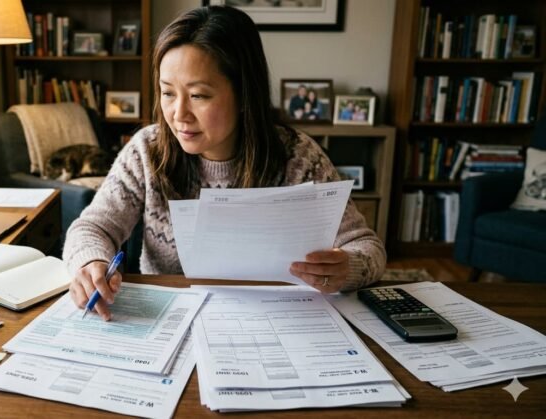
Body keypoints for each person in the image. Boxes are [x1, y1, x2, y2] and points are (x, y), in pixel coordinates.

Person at [64, 6, 386, 321]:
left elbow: (368, 247)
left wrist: (346, 267)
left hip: (274, 323)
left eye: (199, 96)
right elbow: (93, 227)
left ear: (244, 94)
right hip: (168, 320)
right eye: (168, 93)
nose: (179, 114)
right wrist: (89, 263)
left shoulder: (299, 157)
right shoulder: (147, 151)